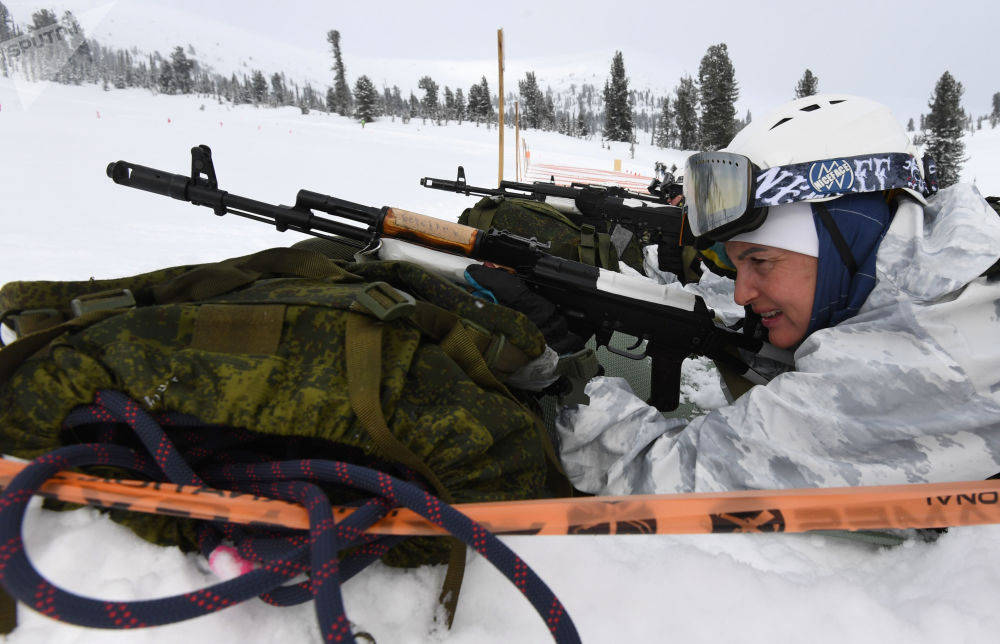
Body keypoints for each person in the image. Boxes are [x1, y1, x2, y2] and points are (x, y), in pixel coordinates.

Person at [553, 93, 1000, 495]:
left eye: (761, 261)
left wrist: (560, 381)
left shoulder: (921, 348)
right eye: (735, 262)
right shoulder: (951, 268)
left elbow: (663, 477)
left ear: (846, 234)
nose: (742, 293)